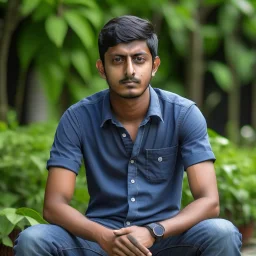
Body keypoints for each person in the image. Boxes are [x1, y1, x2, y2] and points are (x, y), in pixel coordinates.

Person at [14, 15, 242, 256]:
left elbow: (209, 201)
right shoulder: (78, 118)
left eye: (139, 59)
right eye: (118, 60)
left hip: (164, 242)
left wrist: (154, 231)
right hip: (99, 243)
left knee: (222, 232)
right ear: (102, 68)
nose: (129, 70)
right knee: (34, 239)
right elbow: (54, 205)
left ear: (154, 66)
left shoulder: (183, 114)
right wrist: (103, 237)